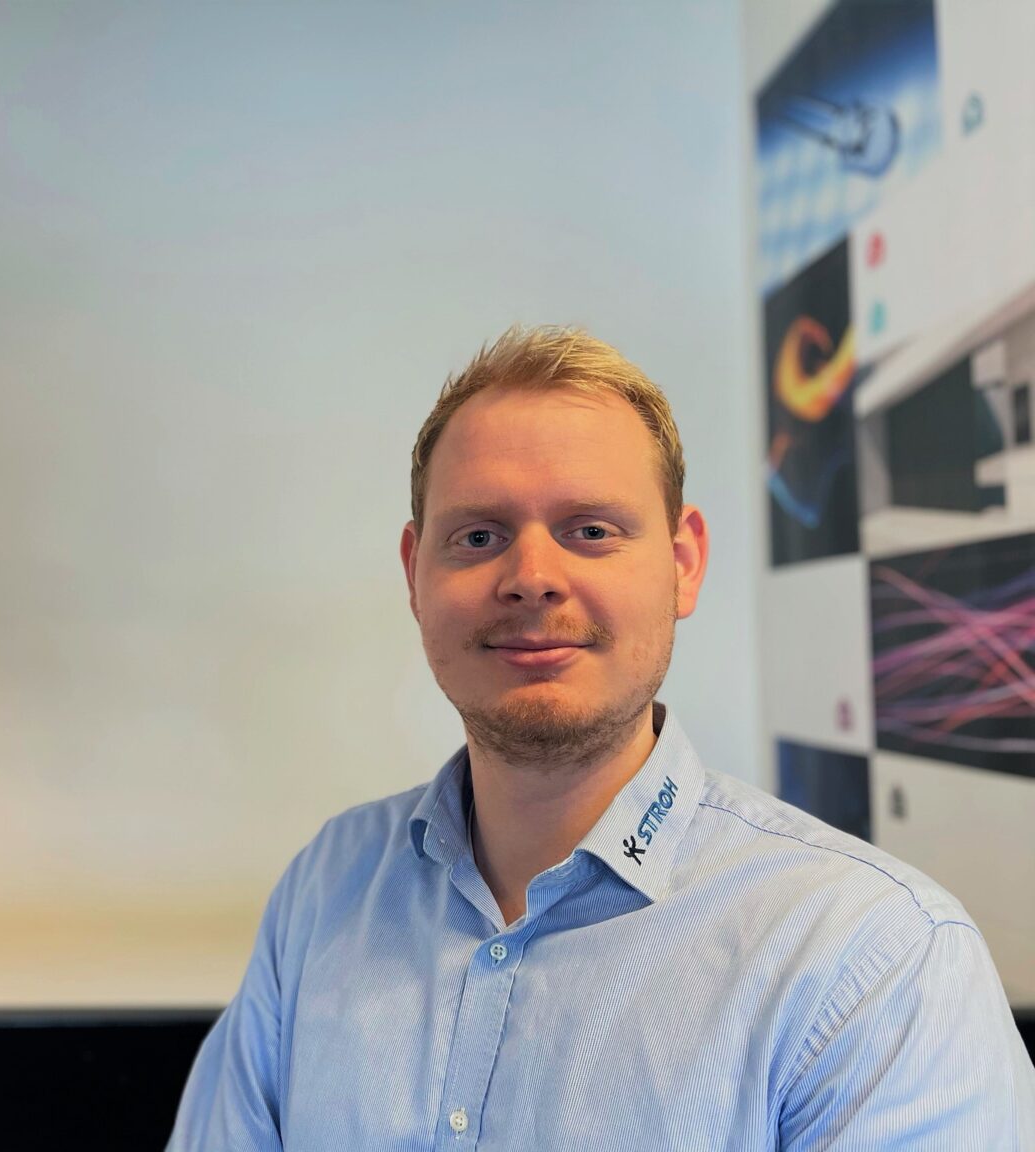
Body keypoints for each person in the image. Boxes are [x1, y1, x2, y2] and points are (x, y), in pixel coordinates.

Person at [166, 326, 1035, 1150]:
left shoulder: (875, 961)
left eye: (591, 531)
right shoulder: (328, 892)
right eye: (478, 536)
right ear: (414, 573)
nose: (532, 578)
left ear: (683, 564)